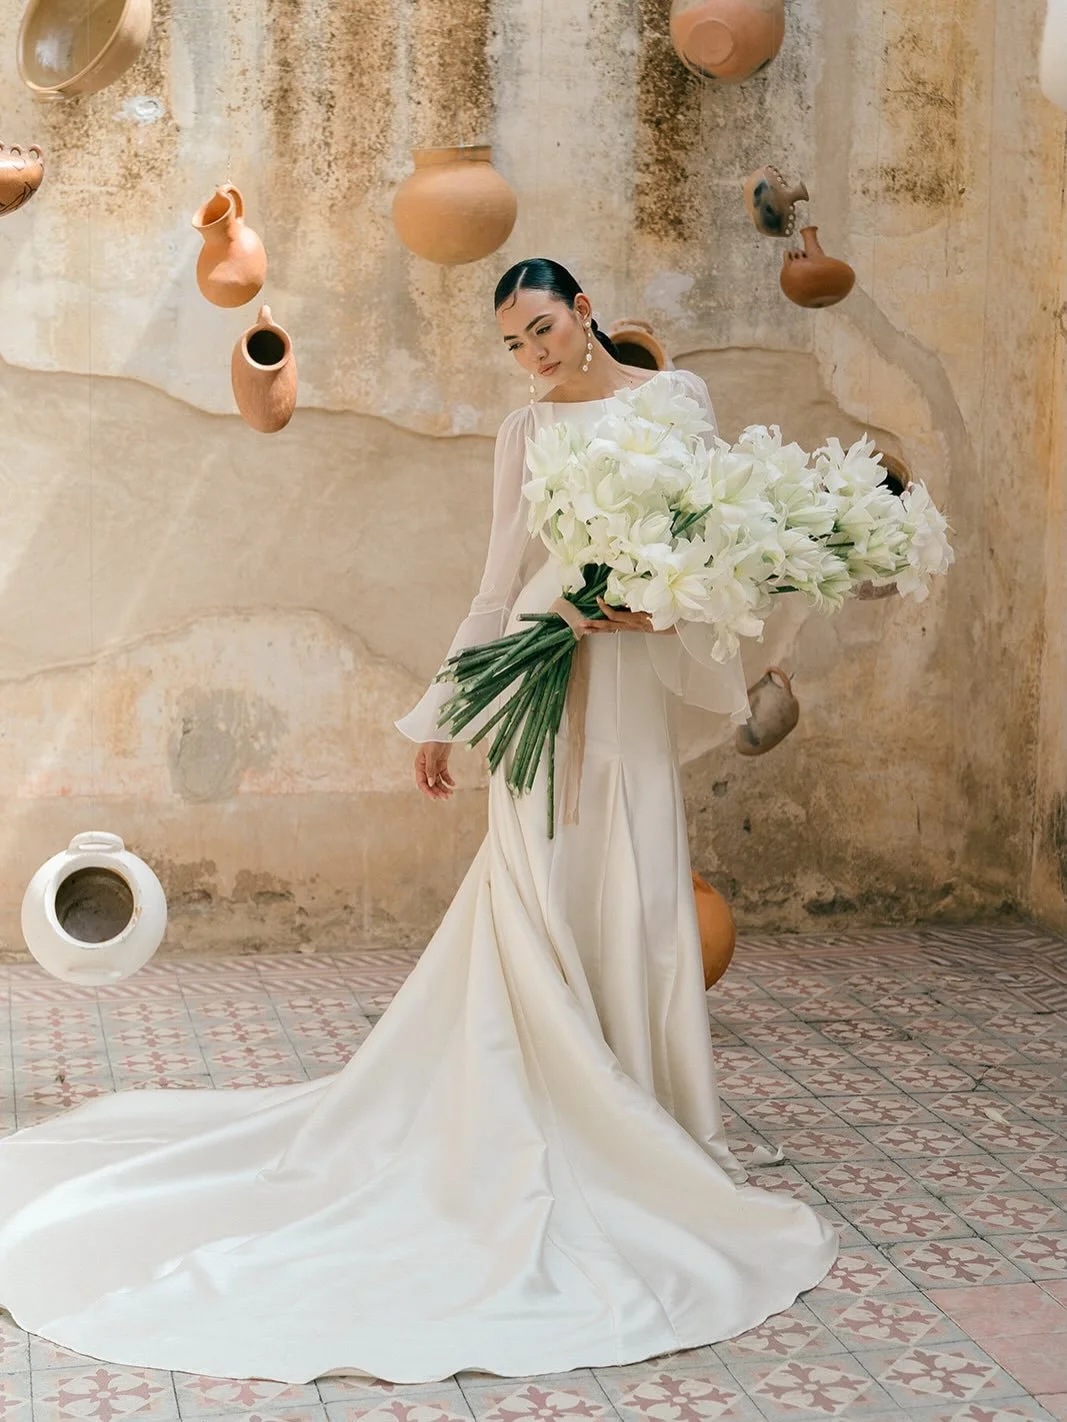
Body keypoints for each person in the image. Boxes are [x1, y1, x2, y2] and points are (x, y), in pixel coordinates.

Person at [0, 259, 836, 1387]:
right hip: (549, 662)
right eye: (513, 345)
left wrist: (652, 606)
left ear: (582, 311)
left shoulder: (671, 402)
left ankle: (646, 1110)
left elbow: (708, 547)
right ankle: (549, 1101)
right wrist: (443, 710)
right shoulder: (521, 432)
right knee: (538, 867)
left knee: (630, 867)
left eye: (542, 330)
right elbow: (500, 581)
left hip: (631, 667)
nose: (533, 356)